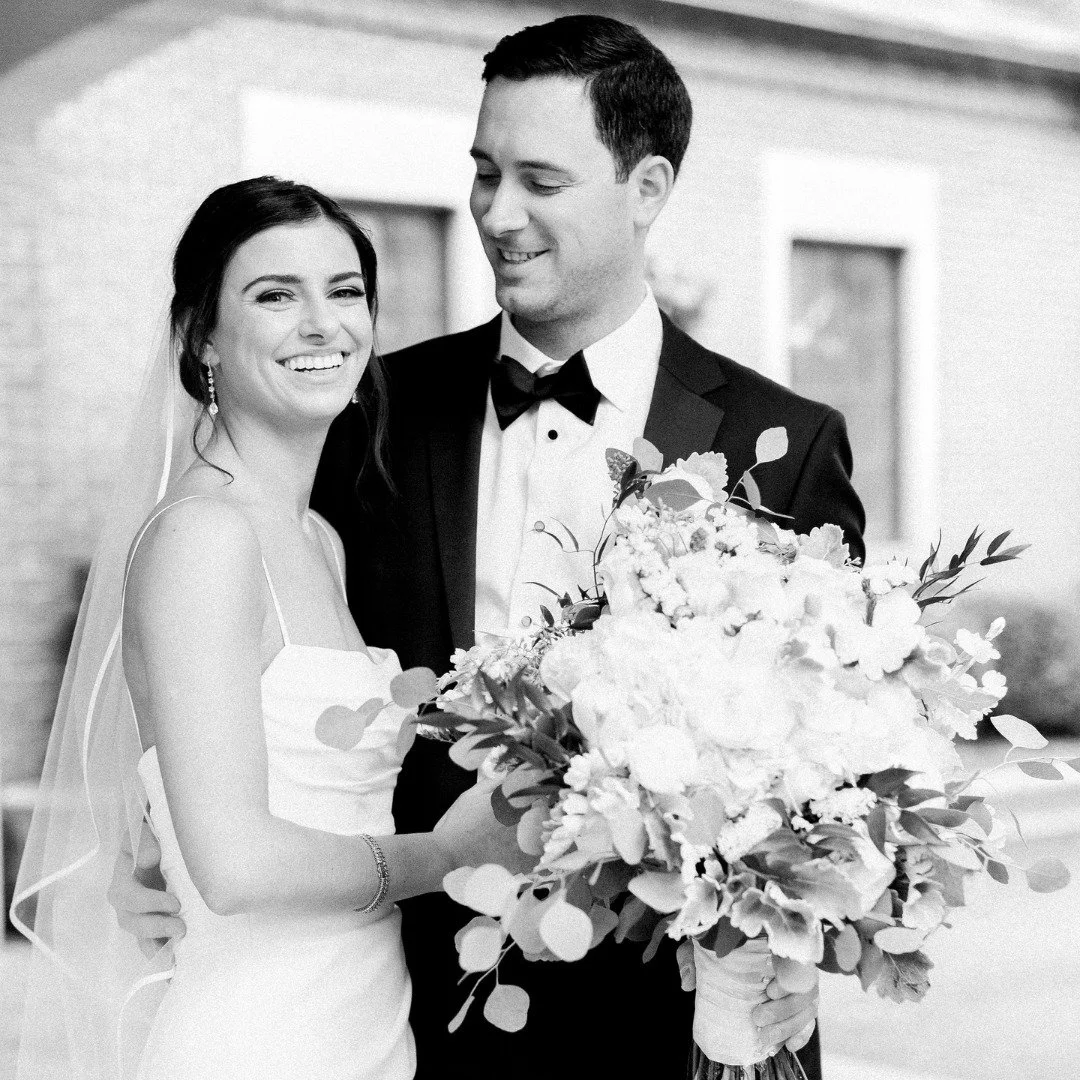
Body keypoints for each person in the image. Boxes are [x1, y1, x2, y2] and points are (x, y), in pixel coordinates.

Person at [114, 15, 865, 1080]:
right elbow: (207, 668)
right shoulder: (369, 415)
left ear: (646, 187)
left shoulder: (781, 443)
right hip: (418, 1013)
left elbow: (831, 757)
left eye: (540, 181)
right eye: (482, 173)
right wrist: (145, 833)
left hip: (682, 1023)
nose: (497, 215)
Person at [11, 176, 529, 1080]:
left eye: (345, 291)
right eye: (275, 295)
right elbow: (237, 864)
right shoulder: (203, 537)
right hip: (261, 1038)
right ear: (200, 335)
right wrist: (444, 855)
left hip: (361, 1021)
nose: (323, 323)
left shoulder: (316, 536)